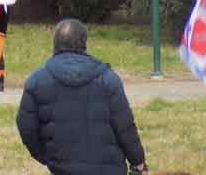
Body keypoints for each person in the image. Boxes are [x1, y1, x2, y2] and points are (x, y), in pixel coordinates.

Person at [16, 18, 148, 175]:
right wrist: (138, 163)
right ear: (84, 43)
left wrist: (45, 157)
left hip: (61, 168)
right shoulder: (108, 79)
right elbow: (125, 128)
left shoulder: (37, 81)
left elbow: (26, 127)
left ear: (55, 44)